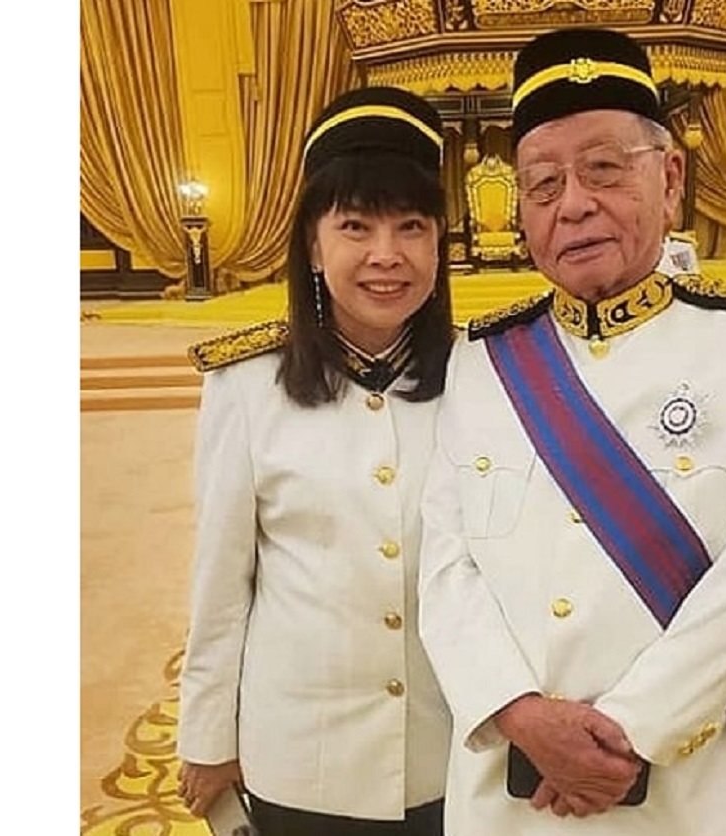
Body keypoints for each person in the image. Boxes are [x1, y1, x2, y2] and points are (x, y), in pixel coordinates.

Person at [417, 27, 726, 836]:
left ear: (670, 179)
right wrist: (521, 713)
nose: (573, 203)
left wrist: (632, 730)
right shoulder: (484, 357)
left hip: (684, 783)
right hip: (512, 790)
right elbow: (445, 563)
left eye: (605, 169)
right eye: (542, 183)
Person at [175, 86, 455, 836]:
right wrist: (207, 736)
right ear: (312, 244)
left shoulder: (484, 381)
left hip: (455, 752)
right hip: (302, 756)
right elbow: (221, 581)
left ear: (439, 243)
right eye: (355, 226)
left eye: (412, 227)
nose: (386, 255)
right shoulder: (246, 387)